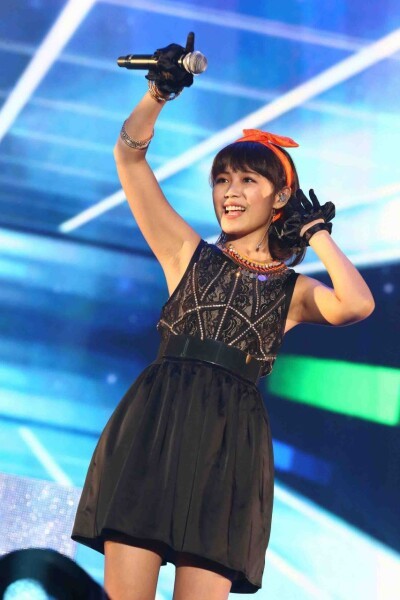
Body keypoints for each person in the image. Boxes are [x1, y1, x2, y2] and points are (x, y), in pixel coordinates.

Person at [71, 33, 375, 600]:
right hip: (154, 427)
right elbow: (129, 157)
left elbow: (357, 304)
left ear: (280, 198)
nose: (230, 193)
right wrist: (158, 94)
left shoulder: (293, 290)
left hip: (228, 449)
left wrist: (317, 235)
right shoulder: (186, 254)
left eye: (247, 181)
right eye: (221, 180)